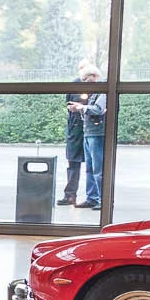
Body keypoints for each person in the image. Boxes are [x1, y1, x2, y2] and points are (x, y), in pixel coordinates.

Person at [60, 64, 100, 204]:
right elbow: (68, 105)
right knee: (86, 164)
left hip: (83, 128)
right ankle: (84, 196)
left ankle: (79, 195)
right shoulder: (79, 84)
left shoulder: (91, 86)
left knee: (88, 164)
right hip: (79, 128)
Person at [80, 81, 107, 209]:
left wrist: (82, 108)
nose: (84, 83)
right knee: (89, 168)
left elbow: (98, 110)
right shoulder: (92, 95)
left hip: (97, 134)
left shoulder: (102, 94)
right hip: (89, 133)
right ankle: (92, 197)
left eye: (86, 80)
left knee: (98, 169)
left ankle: (102, 199)